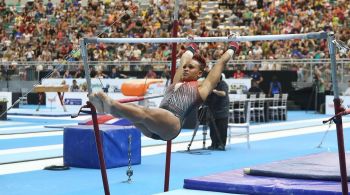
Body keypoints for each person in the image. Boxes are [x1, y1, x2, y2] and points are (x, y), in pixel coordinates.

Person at [88, 41, 240, 141]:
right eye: (185, 67)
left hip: (171, 124)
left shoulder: (202, 87)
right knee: (136, 111)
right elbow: (185, 57)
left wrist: (233, 45)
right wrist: (192, 44)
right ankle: (107, 108)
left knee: (143, 111)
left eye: (191, 67)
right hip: (153, 127)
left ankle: (110, 105)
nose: (186, 69)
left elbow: (221, 62)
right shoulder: (176, 81)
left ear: (200, 73)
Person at [206, 74, 229, 151]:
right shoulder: (211, 85)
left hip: (222, 110)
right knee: (212, 129)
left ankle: (221, 144)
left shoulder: (223, 84)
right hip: (213, 110)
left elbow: (223, 93)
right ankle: (214, 144)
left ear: (219, 79)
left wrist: (214, 91)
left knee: (222, 129)